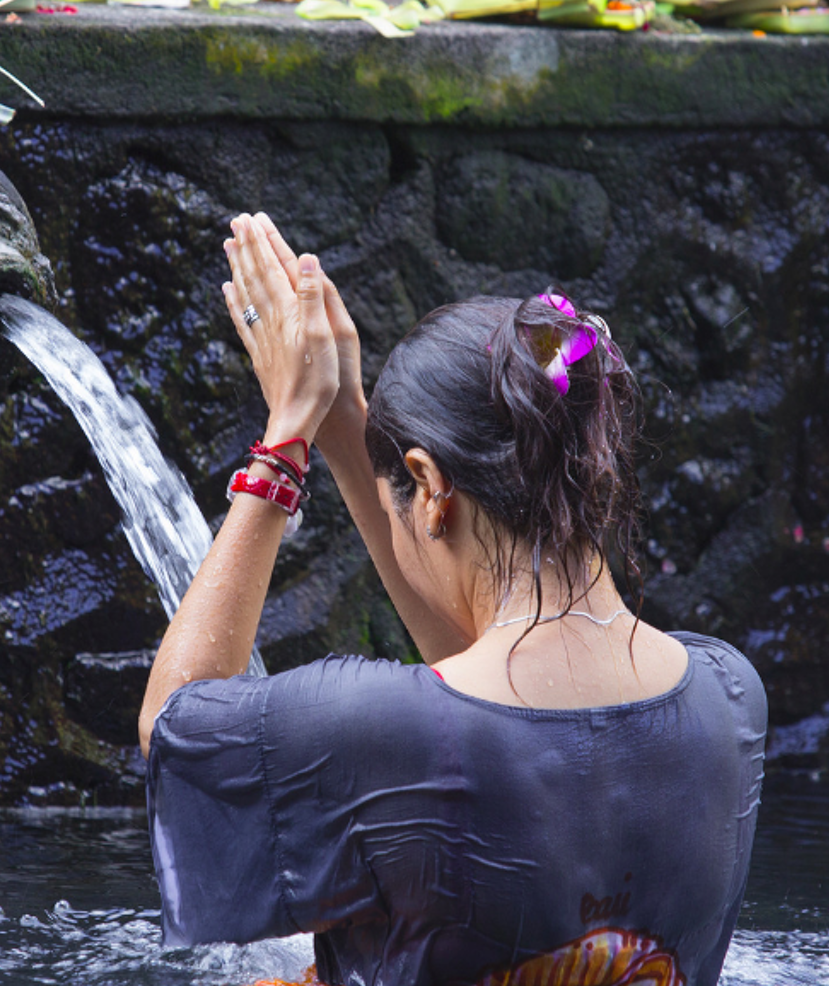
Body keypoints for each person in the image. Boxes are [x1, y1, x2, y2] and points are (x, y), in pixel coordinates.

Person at [136, 213, 767, 986]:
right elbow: (491, 699)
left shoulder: (376, 729)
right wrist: (346, 427)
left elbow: (175, 727)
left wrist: (287, 437)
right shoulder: (730, 696)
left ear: (431, 488)